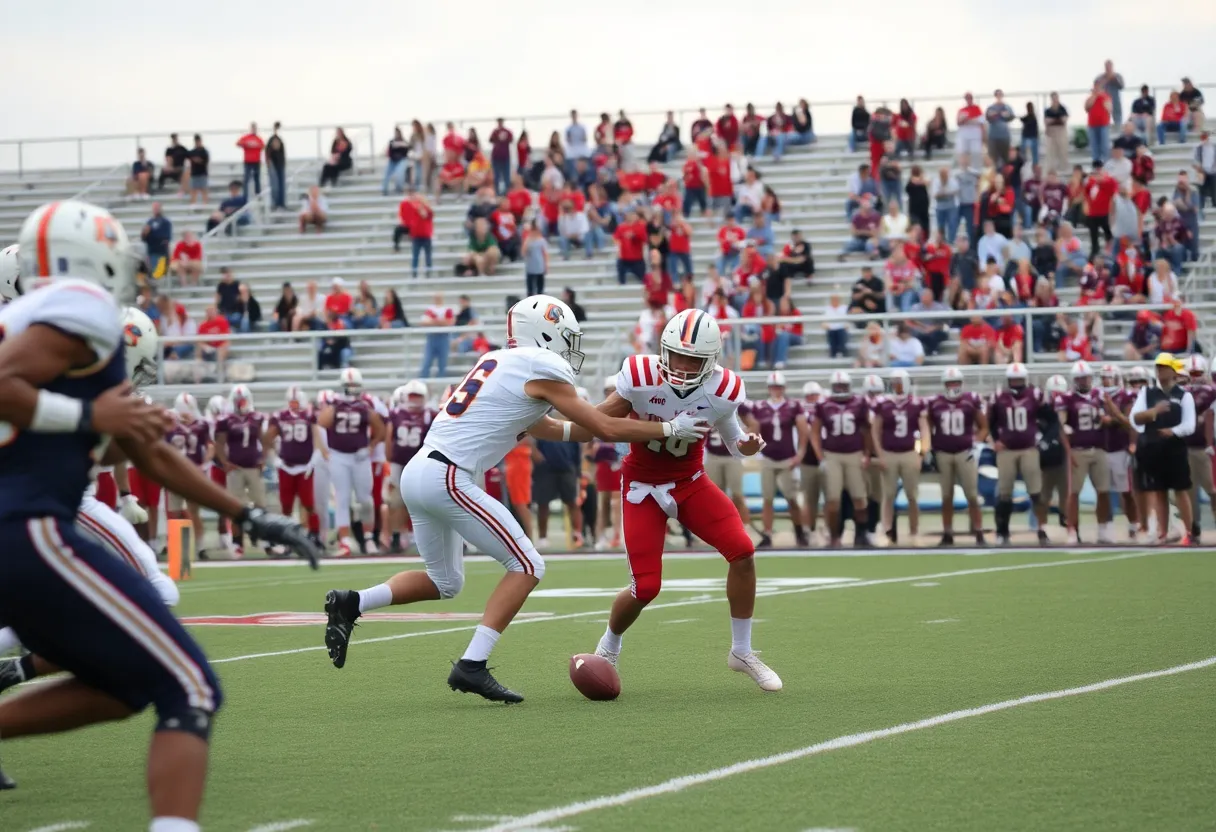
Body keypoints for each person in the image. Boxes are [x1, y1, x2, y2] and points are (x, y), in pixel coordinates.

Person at [0, 199, 318, 815]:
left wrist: (251, 516)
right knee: (190, 686)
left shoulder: (53, 325)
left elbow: (142, 451)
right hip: (28, 529)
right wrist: (91, 414)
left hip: (25, 530)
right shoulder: (80, 305)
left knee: (122, 688)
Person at [323, 295, 709, 702]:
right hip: (448, 475)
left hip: (421, 471)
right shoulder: (538, 365)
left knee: (445, 581)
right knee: (527, 563)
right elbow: (602, 428)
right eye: (565, 336)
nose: (569, 347)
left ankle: (352, 602)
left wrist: (624, 419)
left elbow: (570, 429)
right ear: (545, 332)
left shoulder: (500, 364)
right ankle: (471, 665)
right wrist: (667, 429)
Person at [583, 308, 777, 689]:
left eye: (694, 360)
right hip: (642, 488)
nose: (684, 367)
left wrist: (747, 444)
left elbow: (734, 444)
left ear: (711, 361)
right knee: (647, 588)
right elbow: (597, 423)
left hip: (690, 481)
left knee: (743, 550)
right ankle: (608, 646)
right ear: (662, 350)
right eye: (677, 356)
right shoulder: (639, 377)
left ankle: (742, 651)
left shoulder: (722, 389)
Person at [316, 368, 384, 557]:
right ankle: (345, 542)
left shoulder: (366, 405)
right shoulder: (335, 403)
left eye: (355, 385)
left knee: (365, 499)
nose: (353, 389)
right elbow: (321, 422)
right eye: (350, 385)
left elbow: (380, 429)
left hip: (360, 457)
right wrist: (325, 450)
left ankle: (369, 537)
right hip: (339, 456)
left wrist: (370, 447)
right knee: (342, 498)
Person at [1130, 353, 1195, 545]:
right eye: (1158, 367)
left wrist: (1173, 431)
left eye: (1164, 367)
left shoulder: (1184, 395)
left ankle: (1189, 532)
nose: (1160, 371)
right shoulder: (1147, 393)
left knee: (1181, 490)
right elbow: (1135, 418)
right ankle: (1163, 532)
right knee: (1159, 491)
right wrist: (1154, 412)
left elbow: (1190, 425)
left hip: (1175, 448)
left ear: (1173, 370)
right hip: (1153, 448)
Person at [743, 371, 809, 548]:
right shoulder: (760, 407)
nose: (775, 390)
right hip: (768, 457)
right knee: (768, 498)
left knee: (791, 498)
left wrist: (800, 453)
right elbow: (752, 427)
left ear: (784, 388)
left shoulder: (793, 406)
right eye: (773, 387)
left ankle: (799, 531)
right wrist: (755, 449)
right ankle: (767, 534)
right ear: (768, 388)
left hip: (788, 458)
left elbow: (803, 430)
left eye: (778, 387)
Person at [1052, 361, 1113, 545]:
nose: (1083, 381)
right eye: (1079, 378)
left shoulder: (1099, 395)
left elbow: (1111, 417)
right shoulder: (1066, 399)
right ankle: (1072, 530)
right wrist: (1069, 452)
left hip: (1099, 448)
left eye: (1085, 377)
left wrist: (1107, 419)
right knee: (1074, 493)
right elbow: (1061, 427)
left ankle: (1103, 528)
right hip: (1078, 450)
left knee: (1103, 491)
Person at [809, 371, 872, 548]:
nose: (841, 389)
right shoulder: (824, 404)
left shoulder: (859, 402)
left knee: (860, 497)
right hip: (832, 454)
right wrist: (820, 455)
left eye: (843, 386)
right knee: (832, 500)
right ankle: (834, 536)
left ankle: (861, 535)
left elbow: (867, 429)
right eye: (838, 386)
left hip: (854, 453)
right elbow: (814, 431)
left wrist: (867, 453)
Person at [988, 364, 1048, 544]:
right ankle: (1002, 531)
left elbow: (1050, 419)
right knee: (1005, 493)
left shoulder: (1035, 395)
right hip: (1006, 450)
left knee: (1036, 492)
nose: (1016, 383)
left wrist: (1042, 438)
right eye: (1013, 380)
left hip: (1029, 448)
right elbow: (991, 421)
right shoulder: (999, 397)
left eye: (1019, 380)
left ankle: (1042, 529)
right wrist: (995, 439)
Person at [928, 367, 988, 545]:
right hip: (943, 453)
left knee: (972, 495)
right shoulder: (935, 403)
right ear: (944, 384)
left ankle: (978, 531)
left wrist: (976, 444)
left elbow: (984, 426)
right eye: (950, 383)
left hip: (965, 452)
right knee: (946, 496)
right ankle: (947, 533)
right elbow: (928, 426)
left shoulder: (970, 401)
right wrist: (931, 447)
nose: (953, 386)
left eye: (956, 383)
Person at [869, 370, 927, 544]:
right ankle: (887, 531)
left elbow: (924, 430)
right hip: (889, 453)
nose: (898, 386)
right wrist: (879, 454)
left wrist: (921, 454)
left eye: (900, 383)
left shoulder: (916, 404)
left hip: (909, 452)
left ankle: (914, 532)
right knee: (888, 495)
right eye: (895, 383)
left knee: (912, 495)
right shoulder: (883, 404)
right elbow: (875, 431)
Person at [264, 386, 326, 547]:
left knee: (308, 503)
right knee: (286, 504)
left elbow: (317, 439)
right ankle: (287, 535)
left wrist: (314, 460)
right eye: (292, 402)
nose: (294, 405)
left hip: (305, 466)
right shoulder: (280, 417)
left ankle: (314, 534)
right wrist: (274, 458)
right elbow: (268, 439)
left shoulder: (309, 416)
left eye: (296, 402)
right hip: (286, 466)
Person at [1181, 355, 1216, 543]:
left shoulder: (1211, 392)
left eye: (1198, 373)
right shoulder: (1181, 392)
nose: (1195, 377)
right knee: (1190, 492)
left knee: (1212, 490)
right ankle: (1194, 530)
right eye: (1192, 373)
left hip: (1205, 448)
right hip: (1186, 448)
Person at [236, 122, 264, 200]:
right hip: (248, 161)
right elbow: (238, 143)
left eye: (255, 128)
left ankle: (258, 195)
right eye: (253, 128)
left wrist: (254, 145)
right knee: (246, 179)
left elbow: (262, 146)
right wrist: (246, 144)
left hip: (256, 161)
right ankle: (245, 196)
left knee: (257, 179)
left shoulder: (259, 139)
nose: (254, 129)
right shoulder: (246, 137)